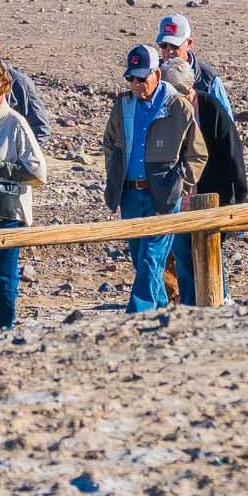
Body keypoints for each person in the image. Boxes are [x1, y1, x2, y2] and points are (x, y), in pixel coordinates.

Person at [102, 43, 206, 313]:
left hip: (163, 196)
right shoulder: (122, 106)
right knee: (141, 259)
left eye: (141, 78)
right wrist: (114, 173)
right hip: (130, 195)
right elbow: (110, 144)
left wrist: (179, 185)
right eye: (131, 78)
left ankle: (135, 316)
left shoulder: (178, 107)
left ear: (157, 75)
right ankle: (163, 311)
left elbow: (197, 154)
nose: (135, 84)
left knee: (151, 259)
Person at [0, 60, 47, 330]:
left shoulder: (15, 123)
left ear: (3, 90)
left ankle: (4, 330)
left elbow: (38, 171)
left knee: (3, 278)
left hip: (6, 212)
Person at [159, 59, 232, 308]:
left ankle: (217, 299)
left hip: (205, 195)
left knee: (209, 250)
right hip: (180, 198)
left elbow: (222, 154)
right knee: (182, 254)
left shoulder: (209, 107)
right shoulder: (166, 110)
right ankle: (191, 303)